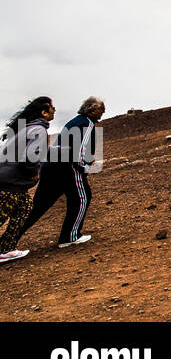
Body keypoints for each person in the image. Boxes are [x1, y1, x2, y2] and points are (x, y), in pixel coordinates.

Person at [19, 96, 104, 248]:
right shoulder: (86, 123)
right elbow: (78, 151)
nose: (103, 112)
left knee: (38, 207)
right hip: (68, 167)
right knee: (82, 197)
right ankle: (70, 236)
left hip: (51, 166)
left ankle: (8, 240)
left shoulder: (73, 122)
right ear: (92, 110)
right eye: (101, 109)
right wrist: (84, 167)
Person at [0, 96, 54, 264]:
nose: (54, 111)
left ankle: (5, 249)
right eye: (52, 109)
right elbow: (29, 157)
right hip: (10, 182)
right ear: (44, 112)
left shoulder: (25, 129)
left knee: (24, 208)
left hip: (10, 180)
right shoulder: (38, 129)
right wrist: (33, 173)